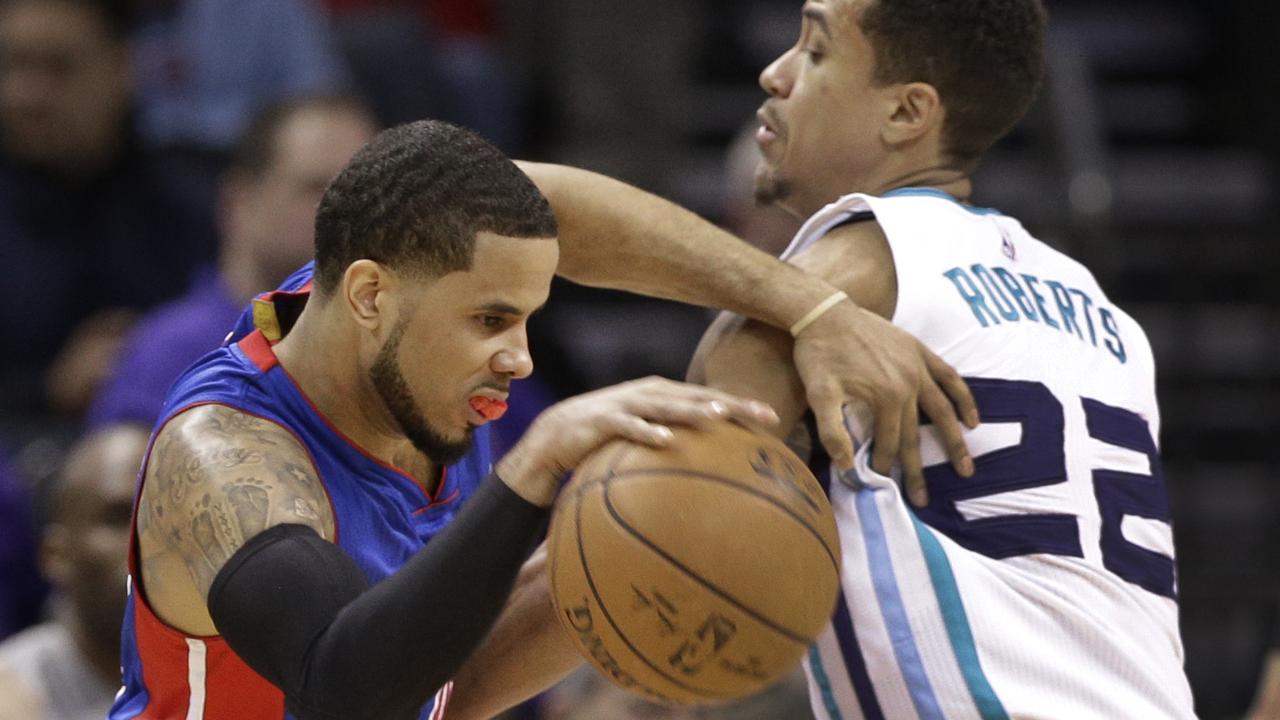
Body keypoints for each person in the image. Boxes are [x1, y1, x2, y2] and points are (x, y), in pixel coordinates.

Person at [446, 1, 1197, 719]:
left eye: (815, 49)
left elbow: (655, 524)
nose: (776, 73)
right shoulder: (1101, 312)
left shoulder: (865, 258)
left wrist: (424, 698)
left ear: (907, 113)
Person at [110, 119, 974, 719]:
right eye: (492, 319)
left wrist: (810, 309)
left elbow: (545, 205)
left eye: (529, 318)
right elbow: (347, 690)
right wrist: (535, 472)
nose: (521, 359)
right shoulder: (222, 456)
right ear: (370, 294)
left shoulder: (396, 304)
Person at [87, 95, 379, 429]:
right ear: (239, 201)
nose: (349, 213)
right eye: (316, 189)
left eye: (366, 192)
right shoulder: (172, 351)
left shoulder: (390, 353)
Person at [0, 0, 217, 416]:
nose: (25, 95)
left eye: (58, 67)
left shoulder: (189, 208)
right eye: (13, 65)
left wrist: (153, 360)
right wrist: (46, 387)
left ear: (123, 69)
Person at [0, 425, 148, 720]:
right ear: (56, 554)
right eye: (118, 519)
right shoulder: (12, 693)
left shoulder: (232, 675)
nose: (147, 540)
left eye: (161, 515)